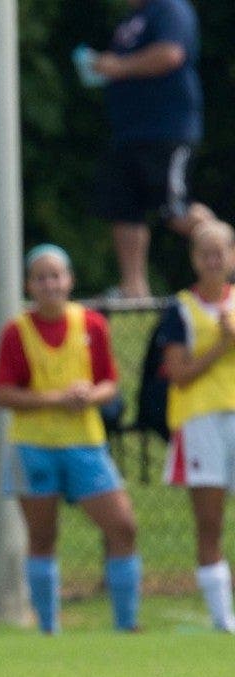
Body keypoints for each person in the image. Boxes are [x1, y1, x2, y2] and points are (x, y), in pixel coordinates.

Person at [0, 245, 141, 634]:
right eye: (40, 278)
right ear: (30, 285)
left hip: (85, 444)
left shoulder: (92, 325)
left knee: (123, 525)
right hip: (33, 446)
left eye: (56, 276)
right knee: (43, 537)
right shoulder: (16, 331)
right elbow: (3, 393)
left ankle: (126, 624)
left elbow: (110, 383)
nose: (49, 284)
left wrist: (89, 396)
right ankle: (48, 627)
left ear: (69, 280)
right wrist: (56, 398)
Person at [87, 0, 212, 298]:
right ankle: (134, 290)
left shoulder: (169, 8)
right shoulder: (135, 17)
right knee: (125, 208)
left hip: (166, 129)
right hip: (130, 133)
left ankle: (222, 260)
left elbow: (170, 54)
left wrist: (119, 66)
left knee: (175, 208)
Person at [157, 220, 235, 631]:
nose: (214, 259)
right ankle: (223, 619)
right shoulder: (181, 310)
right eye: (206, 252)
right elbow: (179, 373)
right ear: (194, 260)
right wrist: (222, 345)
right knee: (210, 521)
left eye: (221, 251)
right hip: (201, 419)